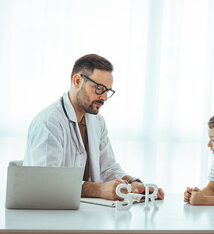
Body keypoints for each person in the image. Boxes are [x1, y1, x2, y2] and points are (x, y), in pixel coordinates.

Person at [23, 54, 164, 201]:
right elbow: (47, 182)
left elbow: (108, 169)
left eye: (108, 91)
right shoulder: (49, 122)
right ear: (77, 81)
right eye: (99, 88)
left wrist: (133, 184)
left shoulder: (97, 121)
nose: (104, 98)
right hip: (48, 214)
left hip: (84, 211)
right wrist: (99, 190)